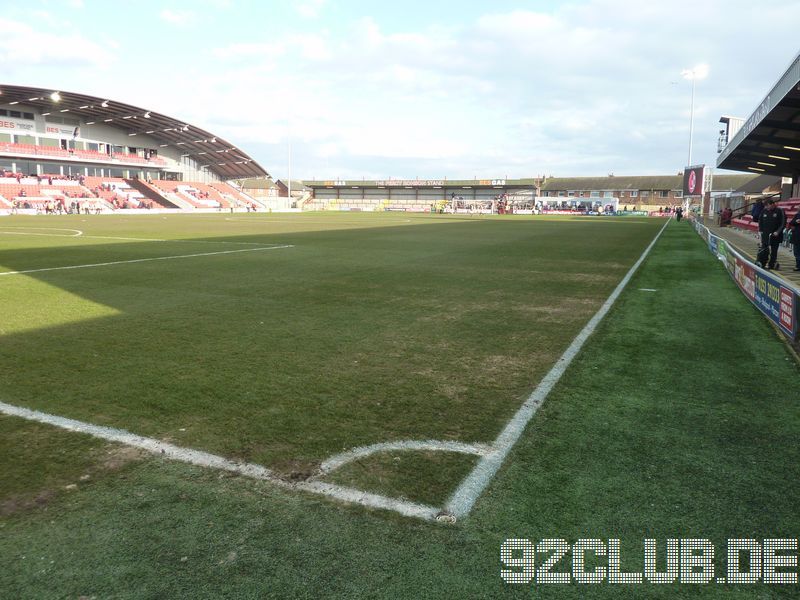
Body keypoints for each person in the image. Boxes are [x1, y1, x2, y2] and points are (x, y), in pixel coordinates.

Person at [757, 198, 786, 270]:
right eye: (766, 206)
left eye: (768, 206)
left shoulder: (780, 211)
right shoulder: (764, 211)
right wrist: (760, 230)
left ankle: (772, 264)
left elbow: (783, 223)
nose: (767, 208)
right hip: (765, 235)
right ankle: (762, 262)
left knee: (774, 251)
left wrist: (778, 232)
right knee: (764, 249)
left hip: (775, 235)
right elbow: (760, 221)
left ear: (772, 204)